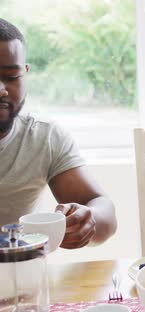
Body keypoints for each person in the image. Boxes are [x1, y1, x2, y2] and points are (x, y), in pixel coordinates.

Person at [0, 18, 117, 249]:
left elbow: (103, 211)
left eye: (11, 77)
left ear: (25, 73)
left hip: (21, 276)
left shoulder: (43, 138)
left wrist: (87, 220)